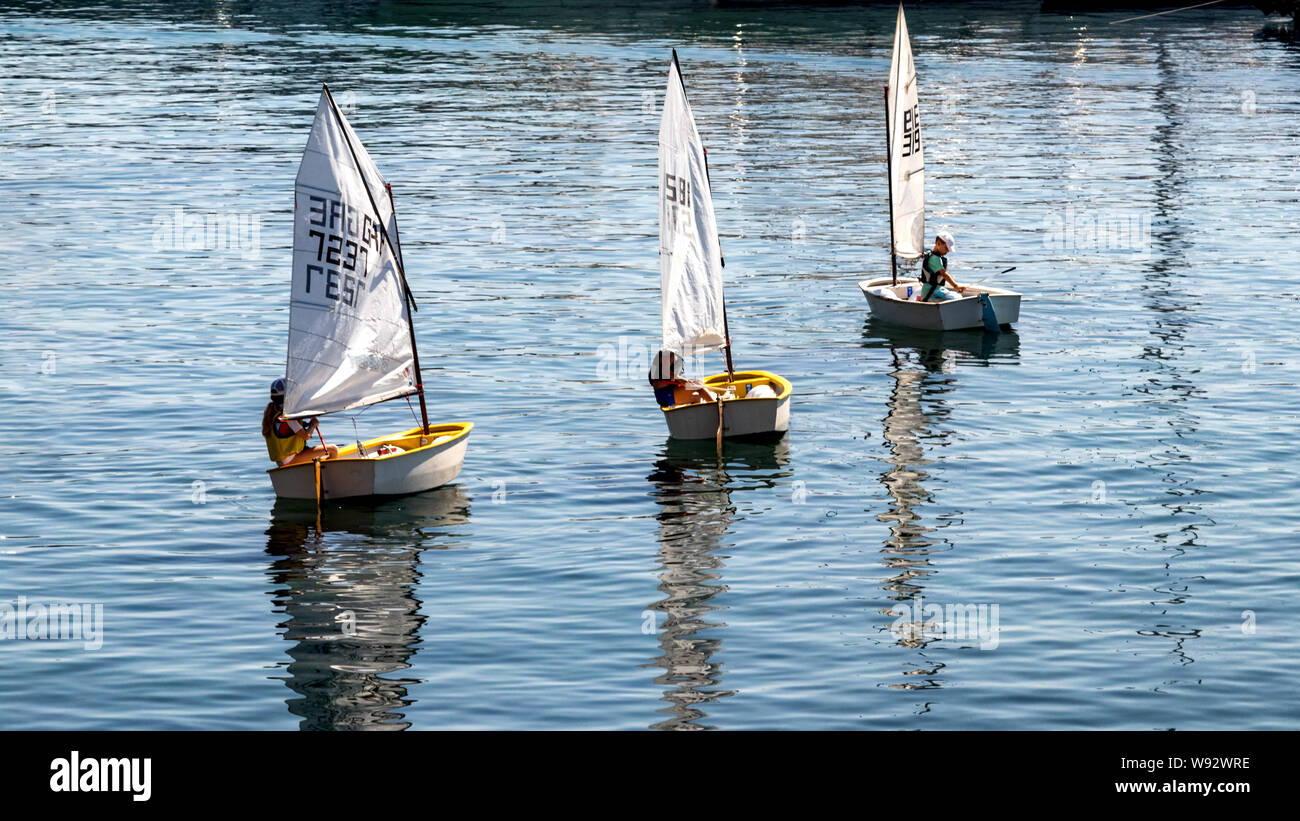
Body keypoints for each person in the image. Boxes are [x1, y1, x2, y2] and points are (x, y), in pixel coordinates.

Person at [262, 378, 338, 467]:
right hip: (291, 459)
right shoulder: (287, 417)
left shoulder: (273, 413)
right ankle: (331, 477)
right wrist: (313, 425)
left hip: (283, 460)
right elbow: (306, 436)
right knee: (333, 449)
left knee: (319, 454)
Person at [648, 350, 718, 407]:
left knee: (696, 397)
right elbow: (679, 379)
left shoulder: (660, 369)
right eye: (671, 357)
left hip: (665, 396)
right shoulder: (662, 370)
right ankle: (715, 406)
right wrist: (689, 382)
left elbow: (676, 381)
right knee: (698, 386)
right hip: (665, 396)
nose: (672, 359)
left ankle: (695, 417)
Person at [918, 231, 965, 301]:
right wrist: (956, 286)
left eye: (948, 250)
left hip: (932, 290)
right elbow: (944, 275)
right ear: (938, 244)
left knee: (956, 296)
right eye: (946, 248)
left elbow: (924, 254)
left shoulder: (929, 253)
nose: (947, 251)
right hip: (931, 292)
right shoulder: (935, 259)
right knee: (958, 298)